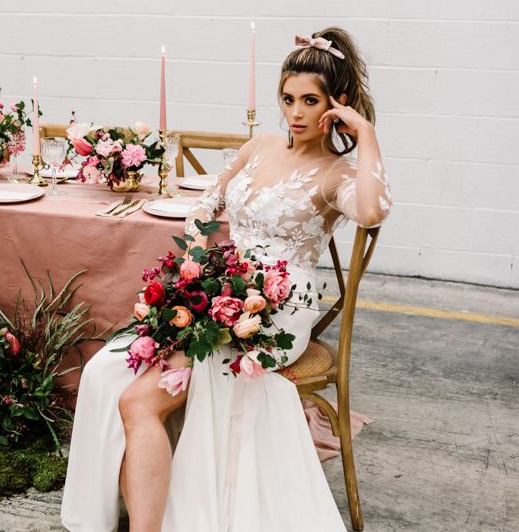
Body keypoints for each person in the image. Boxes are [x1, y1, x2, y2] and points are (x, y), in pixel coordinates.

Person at [61, 27, 392, 531]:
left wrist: (364, 133)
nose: (296, 113)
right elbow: (204, 206)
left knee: (138, 400)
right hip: (220, 285)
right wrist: (195, 265)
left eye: (309, 101)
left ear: (337, 104)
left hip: (279, 307)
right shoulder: (259, 145)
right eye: (288, 99)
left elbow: (371, 211)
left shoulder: (337, 173)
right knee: (106, 373)